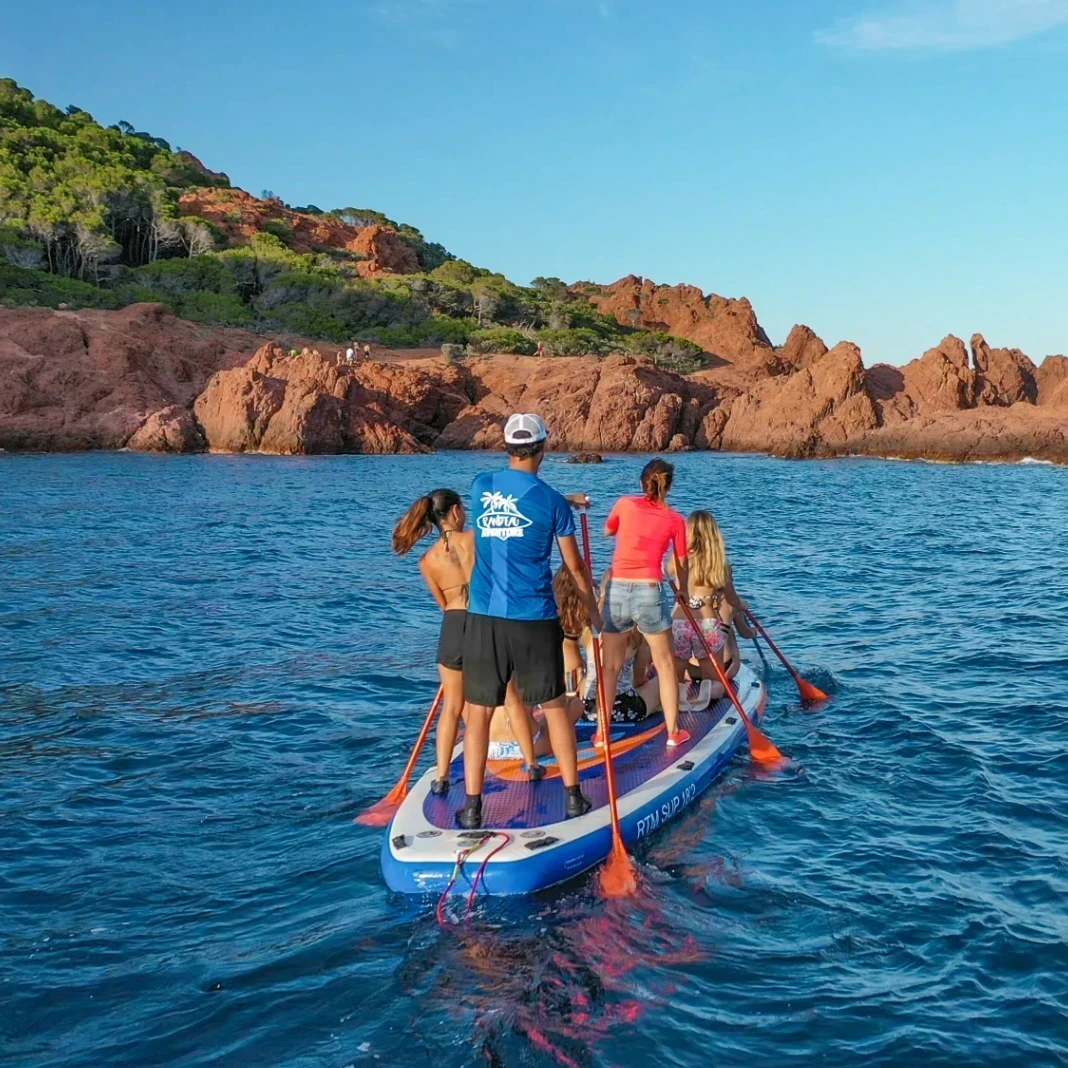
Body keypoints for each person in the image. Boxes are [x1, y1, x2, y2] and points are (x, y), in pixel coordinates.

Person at [459, 412, 602, 829]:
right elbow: (574, 569)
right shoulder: (553, 503)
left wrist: (563, 501)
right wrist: (593, 612)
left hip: (483, 618)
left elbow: (517, 498)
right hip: (535, 618)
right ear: (544, 447)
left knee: (479, 712)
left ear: (507, 447)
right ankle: (574, 799)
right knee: (555, 706)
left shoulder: (479, 486)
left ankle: (472, 808)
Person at [392, 489, 507, 795]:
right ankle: (491, 767)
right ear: (456, 512)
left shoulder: (426, 560)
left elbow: (443, 604)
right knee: (482, 707)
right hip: (482, 621)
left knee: (452, 707)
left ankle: (441, 776)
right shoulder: (475, 539)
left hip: (452, 626)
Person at [600, 459, 690, 747]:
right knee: (664, 664)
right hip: (650, 589)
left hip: (616, 588)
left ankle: (602, 732)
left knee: (610, 666)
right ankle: (674, 732)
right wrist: (683, 591)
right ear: (669, 486)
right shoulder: (676, 520)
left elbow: (607, 531)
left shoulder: (625, 505)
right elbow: (682, 561)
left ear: (642, 483)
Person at [671, 510, 755, 698]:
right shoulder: (720, 566)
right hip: (707, 623)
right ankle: (707, 692)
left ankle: (679, 694)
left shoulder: (678, 561)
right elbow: (732, 600)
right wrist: (741, 604)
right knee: (714, 679)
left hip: (678, 622)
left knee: (675, 675)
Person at [581, 623, 662, 725]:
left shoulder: (590, 631)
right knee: (662, 683)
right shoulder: (635, 634)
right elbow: (639, 679)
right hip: (623, 709)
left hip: (588, 709)